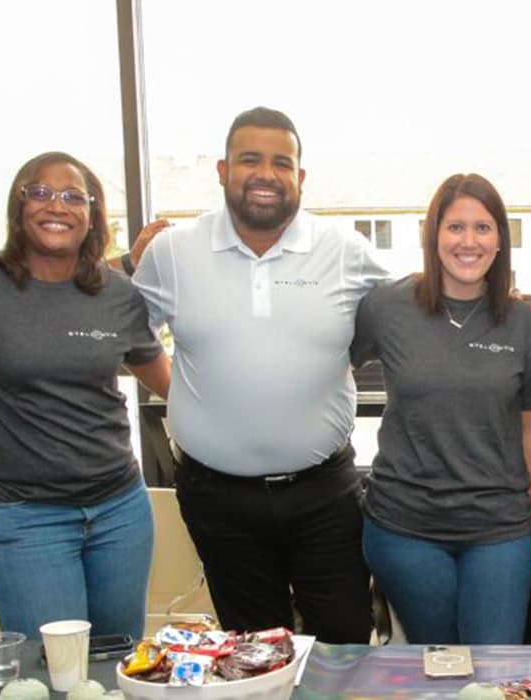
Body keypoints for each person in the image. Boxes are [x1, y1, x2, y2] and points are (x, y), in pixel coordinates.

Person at [131, 107, 385, 643]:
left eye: (281, 162)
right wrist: (185, 394)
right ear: (223, 170)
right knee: (250, 658)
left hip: (326, 497)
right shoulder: (174, 252)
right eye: (250, 160)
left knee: (344, 651)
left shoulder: (345, 252)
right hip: (217, 500)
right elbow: (130, 333)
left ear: (301, 177)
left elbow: (415, 315)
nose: (266, 174)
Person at [0, 152, 172, 640]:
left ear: (92, 213)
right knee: (48, 675)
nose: (55, 206)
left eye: (72, 196)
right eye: (39, 192)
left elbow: (169, 384)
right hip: (26, 520)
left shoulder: (118, 294)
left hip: (119, 514)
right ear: (19, 206)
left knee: (117, 666)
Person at [350, 173, 531, 645]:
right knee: (436, 668)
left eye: (483, 228)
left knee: (493, 672)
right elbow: (326, 363)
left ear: (501, 240)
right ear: (433, 234)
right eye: (455, 227)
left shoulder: (524, 322)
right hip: (405, 528)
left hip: (498, 529)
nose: (469, 241)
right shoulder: (387, 306)